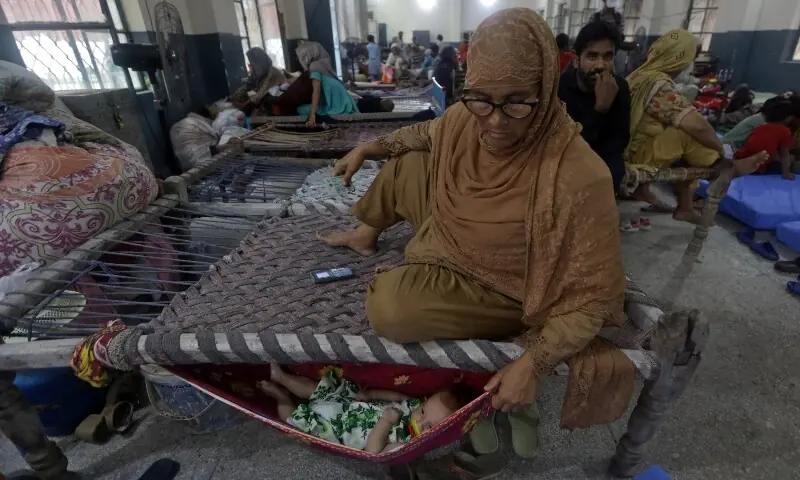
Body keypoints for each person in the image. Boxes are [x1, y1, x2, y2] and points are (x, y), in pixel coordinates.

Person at [319, 8, 634, 464]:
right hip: (451, 231)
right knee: (409, 160)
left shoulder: (579, 175)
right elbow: (425, 132)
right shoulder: (466, 120)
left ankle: (473, 385)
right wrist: (369, 147)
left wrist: (532, 363)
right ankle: (367, 234)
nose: (496, 121)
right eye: (480, 99)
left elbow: (593, 297)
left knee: (390, 307)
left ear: (546, 91)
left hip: (502, 281)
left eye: (517, 102)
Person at [625, 29, 766, 224]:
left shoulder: (637, 75)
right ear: (681, 57)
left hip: (628, 148)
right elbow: (698, 126)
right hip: (637, 155)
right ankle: (728, 166)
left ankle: (685, 207)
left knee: (684, 137)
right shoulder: (658, 84)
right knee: (689, 133)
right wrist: (720, 148)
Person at [257, 364, 464, 453]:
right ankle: (282, 378)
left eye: (430, 426)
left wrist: (386, 422)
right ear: (424, 404)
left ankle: (281, 396)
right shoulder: (413, 406)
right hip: (346, 404)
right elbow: (398, 396)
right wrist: (371, 394)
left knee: (294, 421)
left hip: (336, 429)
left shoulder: (406, 443)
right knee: (318, 389)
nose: (420, 421)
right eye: (423, 413)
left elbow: (374, 450)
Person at [558, 21, 629, 192]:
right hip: (566, 157)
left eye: (607, 57)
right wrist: (600, 108)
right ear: (576, 60)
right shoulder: (560, 88)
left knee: (613, 170)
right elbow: (566, 146)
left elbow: (619, 141)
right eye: (592, 56)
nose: (600, 65)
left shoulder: (619, 87)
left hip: (602, 157)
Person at [295, 42, 358, 127]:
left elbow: (316, 91)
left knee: (301, 109)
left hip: (335, 102)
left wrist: (312, 115)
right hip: (340, 96)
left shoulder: (313, 66)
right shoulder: (323, 63)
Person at [735, 99, 797, 180]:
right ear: (788, 118)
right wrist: (787, 174)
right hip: (756, 167)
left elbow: (748, 143)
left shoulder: (760, 127)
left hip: (740, 159)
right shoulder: (785, 131)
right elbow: (784, 155)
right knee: (791, 162)